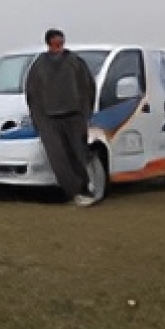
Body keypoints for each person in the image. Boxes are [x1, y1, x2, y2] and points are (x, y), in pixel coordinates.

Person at [24, 28, 99, 207]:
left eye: (61, 42)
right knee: (59, 159)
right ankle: (73, 192)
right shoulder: (39, 66)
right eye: (55, 43)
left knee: (77, 154)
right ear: (48, 43)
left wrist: (84, 113)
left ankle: (85, 188)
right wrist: (40, 120)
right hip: (49, 121)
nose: (59, 46)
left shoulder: (75, 62)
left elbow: (88, 88)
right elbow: (33, 95)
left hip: (74, 118)